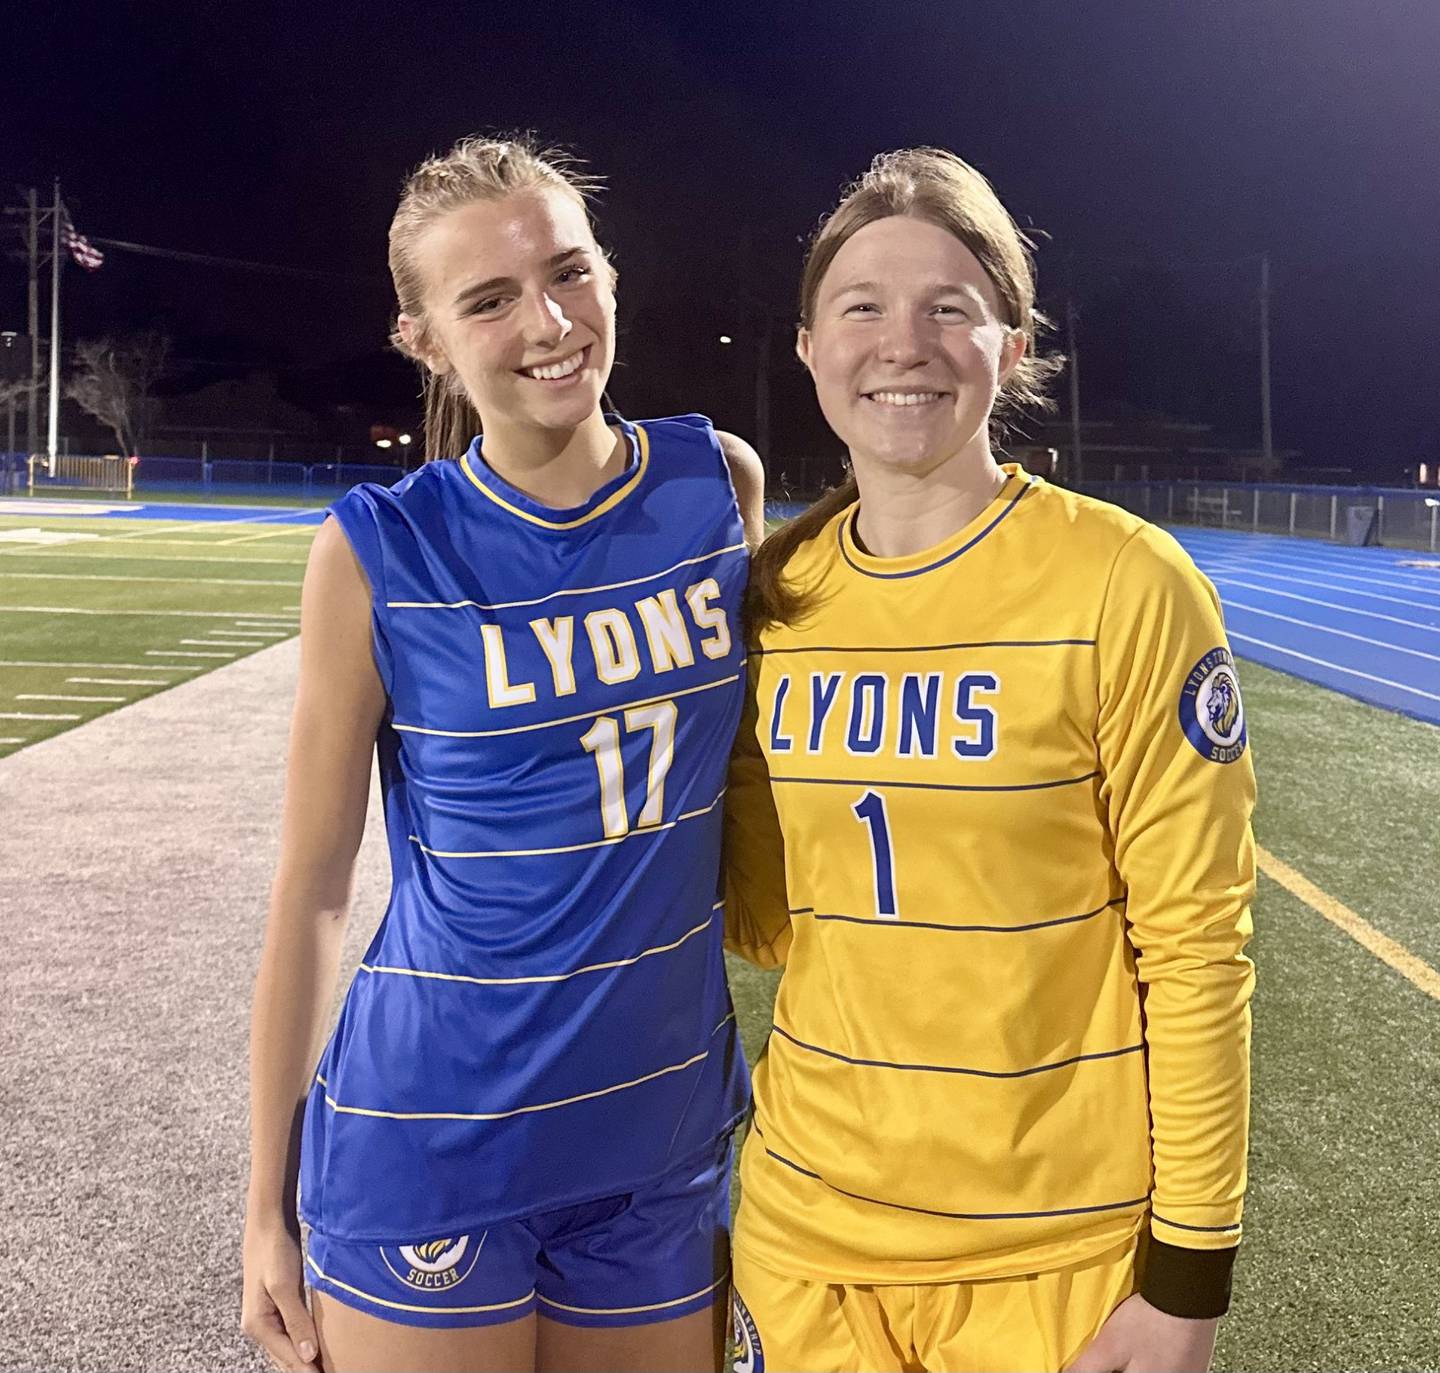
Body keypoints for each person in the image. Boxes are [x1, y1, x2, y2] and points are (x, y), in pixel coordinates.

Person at [724, 148, 1255, 1373]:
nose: (900, 343)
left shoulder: (1125, 583)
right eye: (860, 306)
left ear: (1012, 348)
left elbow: (1194, 943)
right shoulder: (769, 596)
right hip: (806, 1236)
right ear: (808, 345)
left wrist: (1188, 1272)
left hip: (1051, 1257)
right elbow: (770, 921)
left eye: (949, 309)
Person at [242, 135, 764, 1373]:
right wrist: (264, 1199)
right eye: (488, 298)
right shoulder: (380, 549)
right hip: (433, 1132)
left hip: (661, 1136)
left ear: (612, 278)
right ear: (425, 337)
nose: (550, 321)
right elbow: (314, 887)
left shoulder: (716, 486)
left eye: (570, 273)